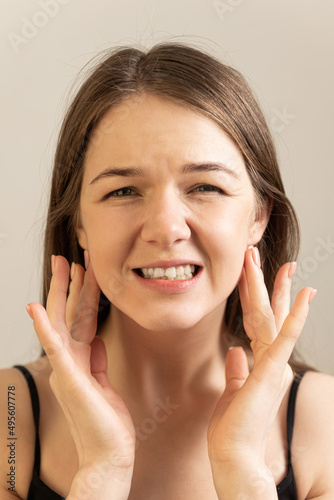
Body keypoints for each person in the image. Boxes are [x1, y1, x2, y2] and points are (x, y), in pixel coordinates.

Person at [0, 41, 333, 500]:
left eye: (204, 186)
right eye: (123, 192)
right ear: (78, 223)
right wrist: (101, 474)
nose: (165, 228)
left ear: (258, 217)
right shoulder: (10, 417)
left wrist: (241, 472)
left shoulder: (325, 423)